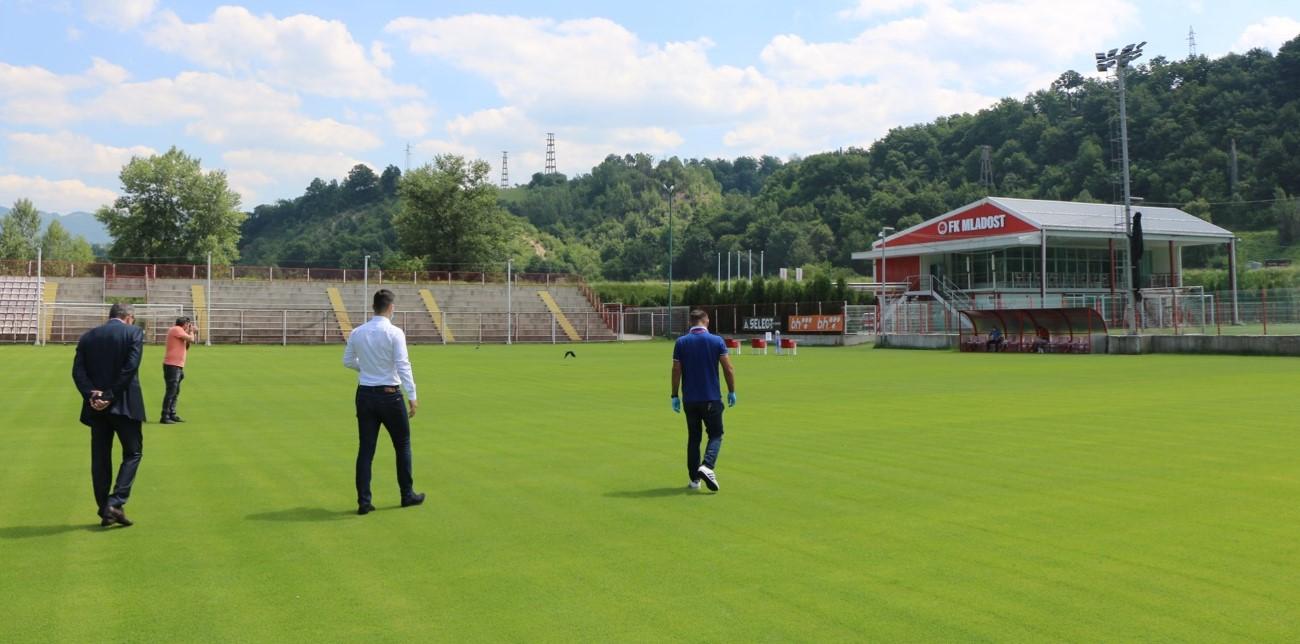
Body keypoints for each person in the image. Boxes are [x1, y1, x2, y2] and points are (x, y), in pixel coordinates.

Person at [343, 289, 424, 515]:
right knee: (402, 445)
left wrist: (367, 368)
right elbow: (403, 364)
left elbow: (347, 360)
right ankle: (407, 494)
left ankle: (364, 501)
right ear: (391, 308)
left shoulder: (358, 332)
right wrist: (413, 394)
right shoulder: (395, 333)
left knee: (366, 449)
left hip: (366, 394)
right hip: (390, 394)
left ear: (373, 307)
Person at [71, 302, 146, 528]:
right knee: (133, 452)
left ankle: (106, 509)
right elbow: (130, 367)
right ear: (129, 317)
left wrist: (92, 395)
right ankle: (116, 501)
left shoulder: (88, 337)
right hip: (124, 404)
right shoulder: (134, 332)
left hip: (96, 407)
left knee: (100, 457)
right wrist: (110, 395)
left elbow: (77, 371)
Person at [671, 309, 737, 492]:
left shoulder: (681, 342)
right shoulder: (716, 341)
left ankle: (694, 480)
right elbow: (728, 369)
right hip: (711, 398)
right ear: (706, 320)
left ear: (690, 322)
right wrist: (732, 391)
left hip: (689, 400)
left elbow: (676, 369)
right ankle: (707, 466)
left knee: (694, 438)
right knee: (716, 434)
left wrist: (674, 395)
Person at [160, 316, 197, 424]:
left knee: (175, 391)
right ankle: (165, 416)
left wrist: (190, 332)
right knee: (171, 391)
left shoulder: (179, 332)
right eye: (188, 324)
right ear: (185, 324)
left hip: (177, 365)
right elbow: (192, 339)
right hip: (172, 365)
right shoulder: (176, 329)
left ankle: (172, 413)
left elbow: (187, 346)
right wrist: (192, 332)